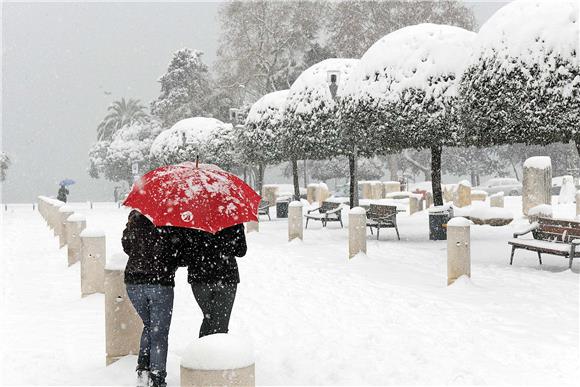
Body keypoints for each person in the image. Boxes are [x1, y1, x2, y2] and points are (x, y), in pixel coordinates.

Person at [121, 210, 183, 387]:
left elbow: (127, 246)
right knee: (159, 331)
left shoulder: (135, 216)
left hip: (133, 282)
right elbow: (178, 254)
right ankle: (157, 376)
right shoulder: (170, 220)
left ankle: (143, 370)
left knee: (150, 326)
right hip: (160, 282)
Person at [181, 224, 247, 338]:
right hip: (226, 277)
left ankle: (204, 351)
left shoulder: (192, 220)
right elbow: (241, 251)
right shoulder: (231, 217)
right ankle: (214, 352)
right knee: (220, 323)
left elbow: (184, 257)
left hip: (200, 278)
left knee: (209, 318)